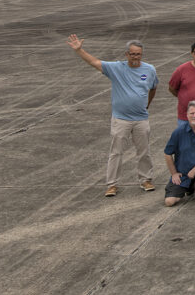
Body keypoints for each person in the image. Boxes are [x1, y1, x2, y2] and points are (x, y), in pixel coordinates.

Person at [67, 34, 158, 197]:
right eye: (132, 54)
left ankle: (145, 179)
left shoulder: (149, 70)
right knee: (116, 152)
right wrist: (79, 50)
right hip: (121, 119)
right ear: (126, 54)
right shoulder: (116, 68)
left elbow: (153, 88)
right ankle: (112, 184)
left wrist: (146, 105)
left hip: (141, 119)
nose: (135, 57)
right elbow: (94, 62)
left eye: (138, 54)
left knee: (144, 151)